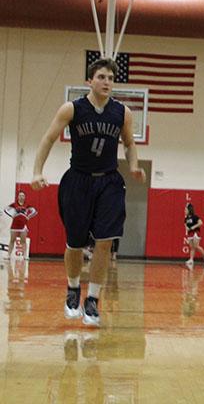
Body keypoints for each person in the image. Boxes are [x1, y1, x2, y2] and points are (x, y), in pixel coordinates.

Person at [31, 57, 146, 326]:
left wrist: (134, 165)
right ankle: (73, 289)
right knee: (75, 243)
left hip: (109, 182)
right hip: (78, 181)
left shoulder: (122, 112)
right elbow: (48, 138)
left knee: (105, 241)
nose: (106, 82)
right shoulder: (72, 109)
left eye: (110, 78)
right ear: (89, 81)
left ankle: (93, 299)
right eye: (101, 77)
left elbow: (129, 143)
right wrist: (37, 171)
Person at [5, 191, 37, 259]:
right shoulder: (14, 204)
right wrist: (11, 215)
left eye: (23, 195)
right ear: (18, 196)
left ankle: (25, 256)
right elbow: (6, 209)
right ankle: (8, 255)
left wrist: (28, 216)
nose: (21, 197)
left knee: (23, 241)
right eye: (20, 195)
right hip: (14, 225)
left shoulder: (27, 205)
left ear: (25, 197)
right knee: (12, 240)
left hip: (23, 225)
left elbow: (34, 211)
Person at [183, 203, 204, 267]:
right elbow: (185, 225)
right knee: (192, 247)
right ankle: (191, 260)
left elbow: (201, 223)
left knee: (196, 246)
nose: (184, 211)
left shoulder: (195, 217)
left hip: (196, 232)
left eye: (185, 210)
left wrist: (193, 227)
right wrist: (187, 228)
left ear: (189, 210)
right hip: (190, 233)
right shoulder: (186, 219)